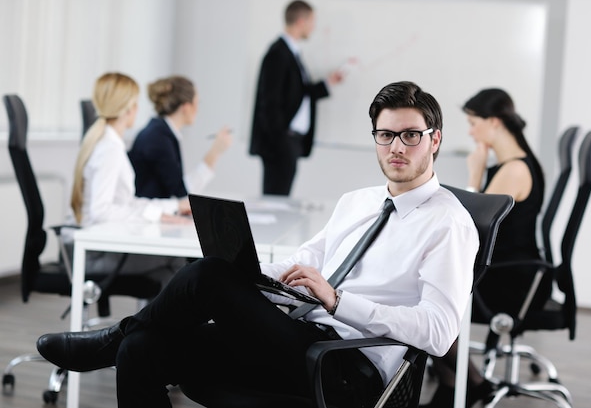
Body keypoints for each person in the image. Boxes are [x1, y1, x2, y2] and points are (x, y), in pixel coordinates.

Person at [37, 81, 479, 408]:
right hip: (301, 336)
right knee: (143, 350)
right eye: (386, 135)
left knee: (206, 275)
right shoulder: (358, 201)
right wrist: (251, 279)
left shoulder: (449, 223)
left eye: (410, 135)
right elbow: (310, 255)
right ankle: (122, 341)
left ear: (434, 140)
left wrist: (338, 301)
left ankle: (107, 341)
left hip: (347, 367)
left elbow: (440, 333)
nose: (396, 146)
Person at [421, 88, 550, 408]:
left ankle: (474, 383)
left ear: (494, 122)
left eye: (473, 122)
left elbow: (472, 228)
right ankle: (454, 386)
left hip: (511, 282)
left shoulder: (514, 170)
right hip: (513, 271)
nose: (470, 131)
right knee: (430, 290)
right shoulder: (513, 164)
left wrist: (474, 174)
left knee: (429, 298)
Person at [69, 72, 191, 285]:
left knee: (167, 275)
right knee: (179, 259)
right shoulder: (109, 150)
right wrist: (156, 214)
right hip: (94, 255)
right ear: (127, 109)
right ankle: (155, 319)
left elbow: (125, 203)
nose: (137, 110)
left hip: (97, 245)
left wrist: (167, 209)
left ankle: (156, 319)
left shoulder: (109, 142)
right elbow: (101, 211)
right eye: (135, 104)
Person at [249, 0, 345, 196]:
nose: (313, 27)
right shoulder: (278, 53)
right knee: (275, 200)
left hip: (290, 142)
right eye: (312, 21)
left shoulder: (292, 53)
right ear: (301, 21)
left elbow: (299, 94)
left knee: (280, 198)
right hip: (280, 143)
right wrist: (280, 140)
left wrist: (327, 83)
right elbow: (269, 103)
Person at [128, 75, 232, 199]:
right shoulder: (159, 138)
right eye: (197, 103)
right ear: (186, 108)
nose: (198, 109)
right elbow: (181, 193)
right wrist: (215, 152)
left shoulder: (159, 131)